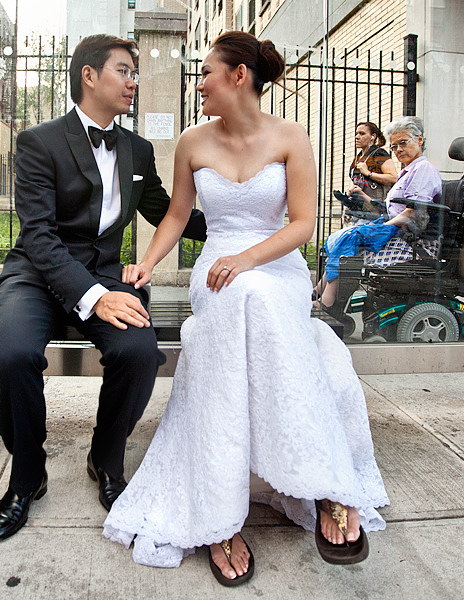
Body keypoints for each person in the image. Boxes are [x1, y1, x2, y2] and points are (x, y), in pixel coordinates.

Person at [103, 31, 388, 584]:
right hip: (217, 270)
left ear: (239, 77)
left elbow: (302, 224)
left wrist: (248, 258)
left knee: (254, 295)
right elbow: (178, 217)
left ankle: (325, 479)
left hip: (274, 264)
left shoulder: (292, 136)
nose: (199, 83)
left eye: (207, 72)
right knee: (236, 299)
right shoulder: (192, 141)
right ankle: (218, 508)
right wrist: (148, 264)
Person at [0, 34, 206, 541]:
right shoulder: (39, 142)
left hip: (106, 276)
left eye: (134, 73)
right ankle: (27, 474)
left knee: (140, 352)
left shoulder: (138, 149)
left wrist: (239, 228)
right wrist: (95, 298)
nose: (133, 81)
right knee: (9, 355)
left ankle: (106, 458)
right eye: (124, 70)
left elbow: (168, 212)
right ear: (89, 75)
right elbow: (38, 236)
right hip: (37, 277)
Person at [314, 116, 443, 310]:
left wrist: (379, 227)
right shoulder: (409, 171)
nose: (398, 149)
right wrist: (363, 198)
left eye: (403, 143)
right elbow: (390, 209)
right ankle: (320, 294)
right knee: (346, 240)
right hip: (399, 233)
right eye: (394, 146)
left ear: (420, 140)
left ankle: (326, 302)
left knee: (349, 247)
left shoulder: (423, 169)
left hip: (413, 243)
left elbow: (413, 214)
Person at [343, 121, 397, 224]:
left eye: (362, 133)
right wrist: (347, 207)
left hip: (373, 213)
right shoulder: (358, 157)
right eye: (356, 133)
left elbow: (394, 178)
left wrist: (368, 173)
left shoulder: (379, 154)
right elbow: (356, 183)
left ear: (373, 136)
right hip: (357, 212)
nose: (357, 137)